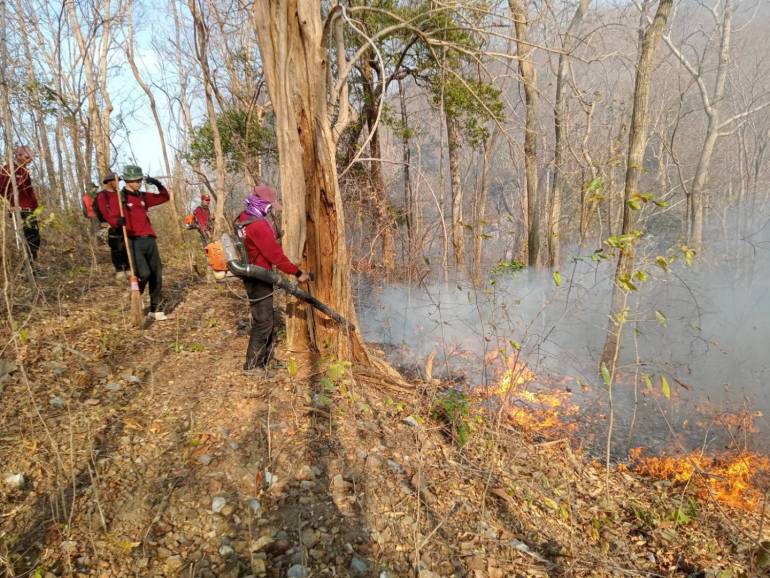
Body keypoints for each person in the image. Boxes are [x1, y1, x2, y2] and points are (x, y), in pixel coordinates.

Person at [236, 185, 309, 370]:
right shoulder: (258, 225)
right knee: (264, 321)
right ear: (263, 203)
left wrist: (271, 236)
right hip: (259, 276)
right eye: (270, 205)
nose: (271, 210)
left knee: (264, 317)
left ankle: (266, 359)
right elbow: (276, 257)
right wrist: (298, 273)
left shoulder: (242, 217)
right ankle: (252, 366)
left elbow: (255, 244)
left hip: (250, 272)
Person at [103, 165, 170, 320]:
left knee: (156, 275)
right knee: (144, 273)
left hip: (149, 239)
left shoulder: (142, 196)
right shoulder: (120, 198)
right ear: (127, 180)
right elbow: (111, 216)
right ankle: (136, 296)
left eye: (140, 179)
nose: (139, 182)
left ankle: (155, 309)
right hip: (133, 241)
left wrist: (158, 184)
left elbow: (164, 197)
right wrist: (117, 222)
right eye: (135, 180)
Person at [0, 146, 41, 261]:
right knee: (27, 240)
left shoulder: (25, 172)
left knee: (34, 239)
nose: (30, 160)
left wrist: (36, 210)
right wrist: (9, 206)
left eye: (32, 157)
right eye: (28, 157)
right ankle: (26, 270)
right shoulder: (8, 170)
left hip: (30, 212)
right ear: (18, 156)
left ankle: (32, 268)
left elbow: (30, 193)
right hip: (19, 211)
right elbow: (1, 189)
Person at [95, 172, 130, 281]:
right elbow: (104, 211)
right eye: (115, 181)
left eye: (118, 181)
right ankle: (119, 270)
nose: (118, 183)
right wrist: (114, 222)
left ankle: (128, 268)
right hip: (112, 226)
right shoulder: (102, 195)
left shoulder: (120, 194)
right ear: (110, 182)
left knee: (126, 246)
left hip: (124, 224)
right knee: (116, 248)